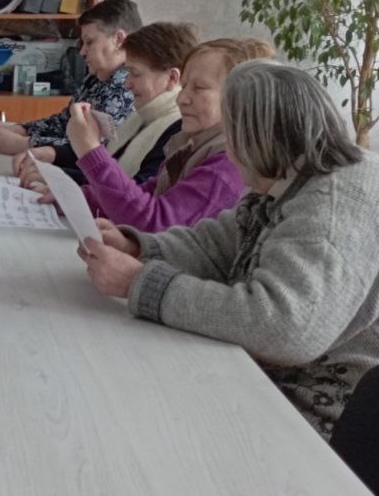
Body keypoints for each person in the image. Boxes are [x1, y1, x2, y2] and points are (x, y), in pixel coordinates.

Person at [80, 61, 379, 438]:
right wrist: (138, 247)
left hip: (323, 411)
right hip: (263, 374)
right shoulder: (288, 176)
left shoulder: (335, 203)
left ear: (255, 135)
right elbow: (216, 246)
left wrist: (139, 282)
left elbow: (282, 328)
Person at [35, 38, 271, 231]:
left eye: (198, 88)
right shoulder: (193, 145)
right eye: (184, 87)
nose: (182, 98)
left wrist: (90, 150)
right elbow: (149, 193)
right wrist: (76, 198)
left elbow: (154, 223)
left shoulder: (226, 166)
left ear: (240, 98)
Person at [17, 21, 195, 185]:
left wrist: (59, 178)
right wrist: (52, 154)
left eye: (135, 74)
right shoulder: (142, 117)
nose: (127, 84)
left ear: (172, 78)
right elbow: (107, 164)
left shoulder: (178, 130)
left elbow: (133, 190)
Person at [0, 0, 141, 155]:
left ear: (119, 40)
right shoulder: (95, 78)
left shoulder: (127, 88)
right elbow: (63, 122)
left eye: (89, 42)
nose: (82, 52)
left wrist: (22, 143)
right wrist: (16, 130)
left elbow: (92, 150)